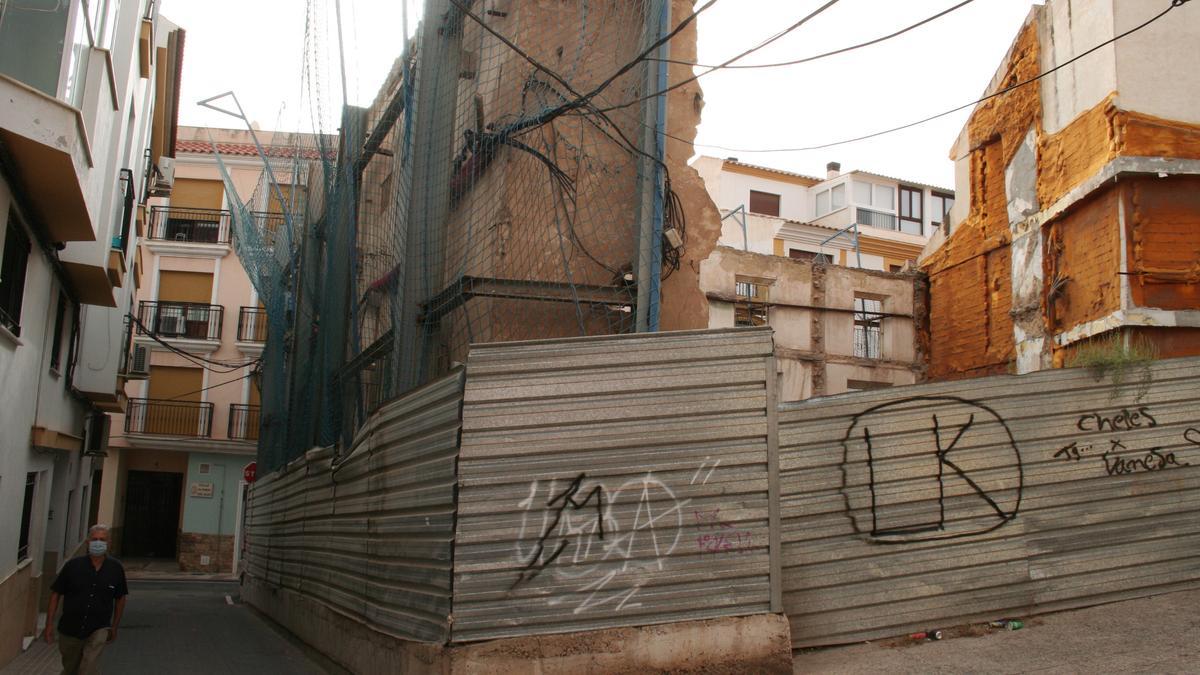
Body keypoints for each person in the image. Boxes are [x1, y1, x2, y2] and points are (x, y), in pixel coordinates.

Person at [43, 524, 128, 674]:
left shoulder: (115, 569)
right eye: (94, 539)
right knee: (70, 668)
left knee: (88, 668)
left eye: (102, 539)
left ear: (109, 543)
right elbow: (56, 594)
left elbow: (120, 598)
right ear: (88, 542)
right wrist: (49, 624)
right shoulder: (72, 566)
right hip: (70, 628)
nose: (98, 543)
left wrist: (114, 626)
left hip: (99, 627)